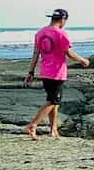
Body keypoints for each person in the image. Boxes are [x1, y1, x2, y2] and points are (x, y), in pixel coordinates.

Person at [23, 9, 89, 139]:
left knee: (54, 101)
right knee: (53, 101)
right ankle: (33, 125)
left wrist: (31, 72)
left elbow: (36, 53)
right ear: (63, 20)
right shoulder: (61, 33)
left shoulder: (40, 33)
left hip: (45, 71)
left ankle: (53, 130)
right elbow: (68, 53)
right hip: (57, 72)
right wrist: (83, 60)